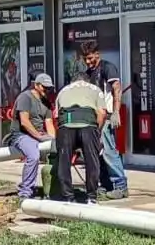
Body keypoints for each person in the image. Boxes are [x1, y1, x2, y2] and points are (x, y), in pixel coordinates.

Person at [79, 40, 128, 199]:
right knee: (98, 153)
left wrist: (116, 112)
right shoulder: (89, 73)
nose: (88, 62)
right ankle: (106, 185)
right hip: (94, 119)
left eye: (90, 58)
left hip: (106, 117)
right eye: (85, 59)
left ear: (97, 54)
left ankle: (120, 186)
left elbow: (116, 89)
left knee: (109, 152)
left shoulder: (107, 67)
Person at [51, 71, 104, 204]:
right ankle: (91, 197)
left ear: (72, 81)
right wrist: (97, 131)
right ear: (87, 81)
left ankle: (68, 196)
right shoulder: (95, 89)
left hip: (66, 124)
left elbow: (56, 116)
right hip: (88, 123)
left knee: (64, 161)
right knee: (92, 161)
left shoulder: (63, 91)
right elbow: (102, 113)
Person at [11, 72, 56, 200]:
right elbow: (24, 122)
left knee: (59, 149)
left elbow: (49, 124)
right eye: (44, 87)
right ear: (36, 85)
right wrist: (39, 137)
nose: (47, 90)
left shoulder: (46, 102)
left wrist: (54, 140)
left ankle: (56, 189)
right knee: (33, 156)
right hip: (21, 135)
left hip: (38, 135)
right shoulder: (25, 97)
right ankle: (25, 192)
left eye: (49, 88)